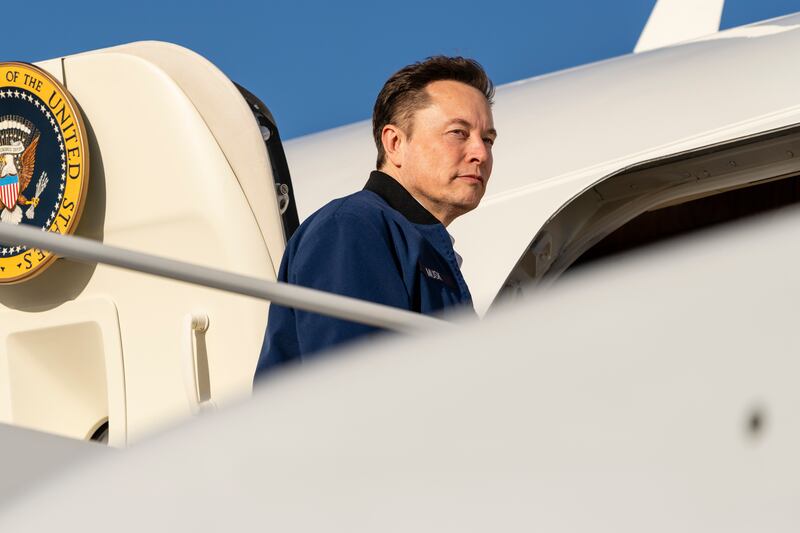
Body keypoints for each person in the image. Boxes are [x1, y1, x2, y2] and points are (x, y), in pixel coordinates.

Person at [256, 56, 497, 376]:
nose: (480, 153)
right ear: (395, 143)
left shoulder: (423, 247)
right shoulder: (352, 228)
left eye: (488, 139)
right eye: (458, 133)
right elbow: (357, 390)